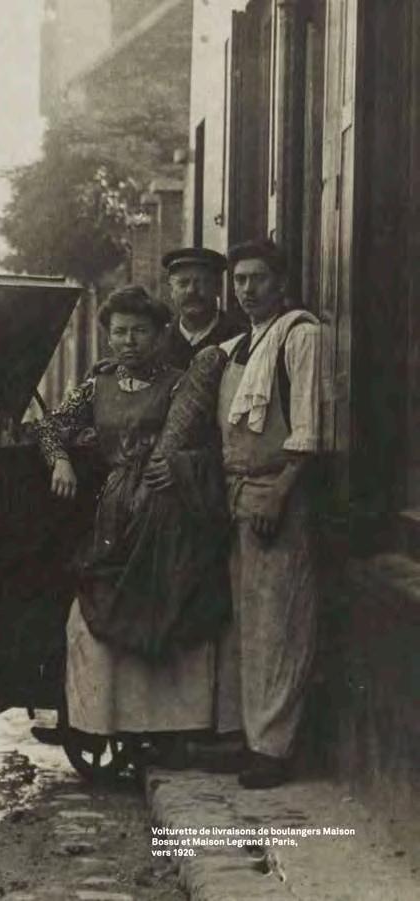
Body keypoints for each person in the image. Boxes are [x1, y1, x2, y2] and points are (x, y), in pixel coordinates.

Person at [36, 285, 229, 768]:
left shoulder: (183, 386)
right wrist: (60, 461)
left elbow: (214, 448)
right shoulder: (96, 385)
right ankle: (96, 720)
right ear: (108, 336)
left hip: (168, 514)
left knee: (167, 610)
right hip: (114, 512)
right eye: (120, 332)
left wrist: (180, 467)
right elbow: (50, 426)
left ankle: (169, 729)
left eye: (140, 331)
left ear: (161, 334)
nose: (129, 341)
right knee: (93, 610)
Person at [214, 239, 322, 789]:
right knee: (248, 621)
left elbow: (307, 427)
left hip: (278, 491)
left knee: (280, 622)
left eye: (258, 278)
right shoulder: (238, 346)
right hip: (237, 494)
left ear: (281, 282)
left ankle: (275, 748)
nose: (247, 289)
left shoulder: (300, 335)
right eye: (239, 280)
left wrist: (280, 492)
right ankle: (252, 736)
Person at [158, 246, 243, 370]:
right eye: (183, 283)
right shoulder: (158, 342)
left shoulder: (240, 338)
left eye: (201, 282)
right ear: (171, 290)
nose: (191, 290)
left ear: (218, 287)